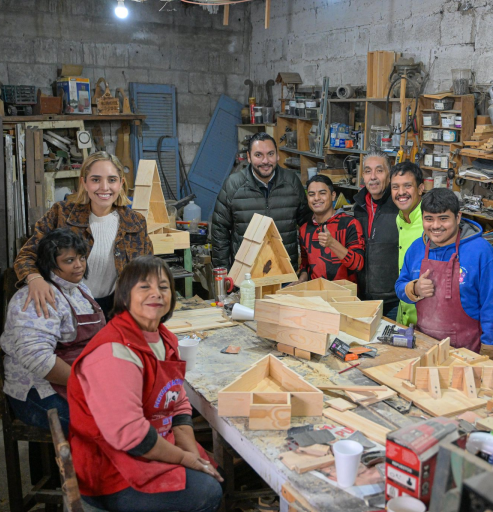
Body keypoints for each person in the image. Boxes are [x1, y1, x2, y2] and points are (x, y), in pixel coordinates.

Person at [68, 256, 223, 512]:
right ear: (124, 295)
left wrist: (192, 455)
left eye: (163, 287)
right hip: (111, 469)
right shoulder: (113, 352)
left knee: (214, 473)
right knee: (207, 492)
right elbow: (132, 437)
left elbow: (177, 399)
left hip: (153, 442)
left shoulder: (165, 338)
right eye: (144, 286)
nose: (156, 293)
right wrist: (185, 459)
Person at [14, 151, 153, 316]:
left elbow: (148, 270)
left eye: (112, 180)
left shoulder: (135, 222)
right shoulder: (61, 214)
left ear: (121, 183)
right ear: (84, 183)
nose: (104, 187)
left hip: (116, 310)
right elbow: (26, 256)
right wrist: (34, 279)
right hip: (64, 307)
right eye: (95, 180)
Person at [1, 229, 105, 433]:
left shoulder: (81, 289)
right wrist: (85, 383)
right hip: (39, 391)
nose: (79, 265)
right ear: (50, 263)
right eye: (69, 260)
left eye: (82, 258)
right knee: (110, 427)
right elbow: (37, 358)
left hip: (75, 381)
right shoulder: (38, 298)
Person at [395, 188, 493, 355]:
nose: (436, 226)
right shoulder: (416, 248)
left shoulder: (481, 252)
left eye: (443, 219)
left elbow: (491, 307)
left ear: (458, 217)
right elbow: (400, 286)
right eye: (429, 219)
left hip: (467, 352)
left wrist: (489, 351)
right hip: (425, 346)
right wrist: (414, 288)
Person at [212, 132, 311, 271]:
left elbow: (308, 226)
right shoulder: (233, 185)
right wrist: (223, 272)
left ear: (277, 155)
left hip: (285, 272)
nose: (265, 161)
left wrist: (307, 268)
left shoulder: (292, 182)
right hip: (246, 273)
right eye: (258, 155)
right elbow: (219, 232)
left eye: (270, 154)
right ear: (249, 157)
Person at [353, 149, 400, 319]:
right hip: (363, 297)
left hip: (393, 300)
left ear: (389, 174)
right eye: (368, 171)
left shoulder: (399, 206)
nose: (373, 177)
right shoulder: (358, 207)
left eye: (379, 171)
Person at [295, 175, 365, 284]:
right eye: (311, 194)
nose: (316, 198)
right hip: (316, 292)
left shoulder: (349, 223)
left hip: (345, 292)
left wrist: (332, 243)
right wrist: (301, 280)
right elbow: (306, 264)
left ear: (333, 196)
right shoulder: (304, 229)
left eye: (322, 193)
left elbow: (358, 264)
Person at [391, 161, 425, 327]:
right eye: (395, 187)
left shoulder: (430, 222)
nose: (401, 192)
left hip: (426, 321)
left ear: (420, 188)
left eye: (407, 186)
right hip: (404, 316)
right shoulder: (399, 219)